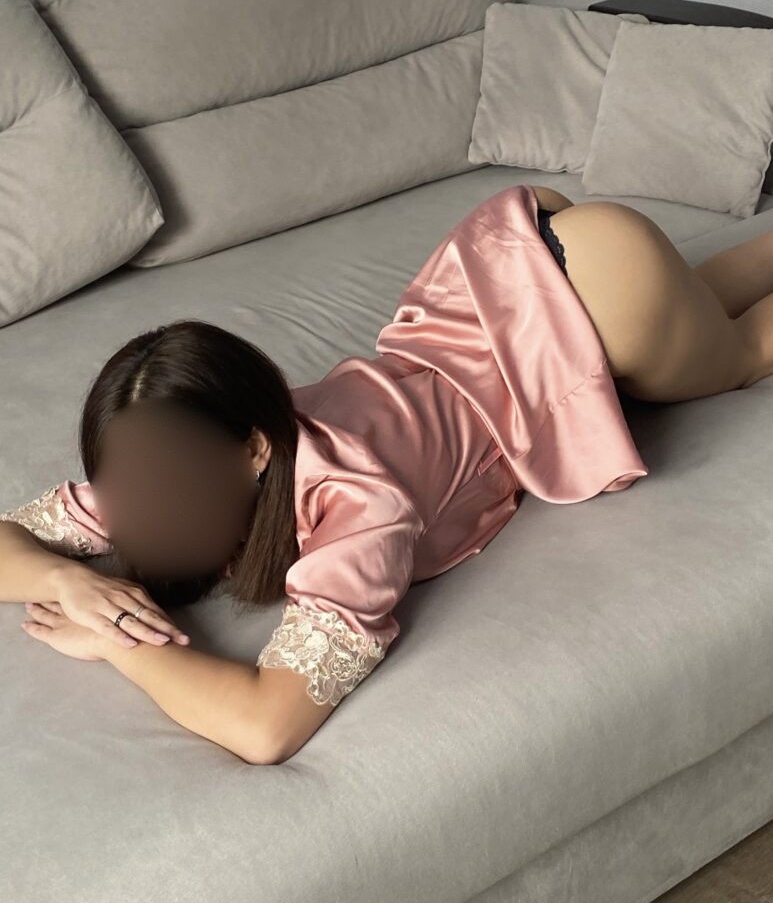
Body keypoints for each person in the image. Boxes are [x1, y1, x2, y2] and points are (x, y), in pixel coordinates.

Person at [1, 183, 770, 762]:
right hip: (525, 269)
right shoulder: (162, 476)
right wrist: (67, 581)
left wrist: (120, 641)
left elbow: (266, 728)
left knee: (739, 358)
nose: (147, 509)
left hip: (583, 292)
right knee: (697, 308)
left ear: (256, 449)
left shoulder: (356, 507)